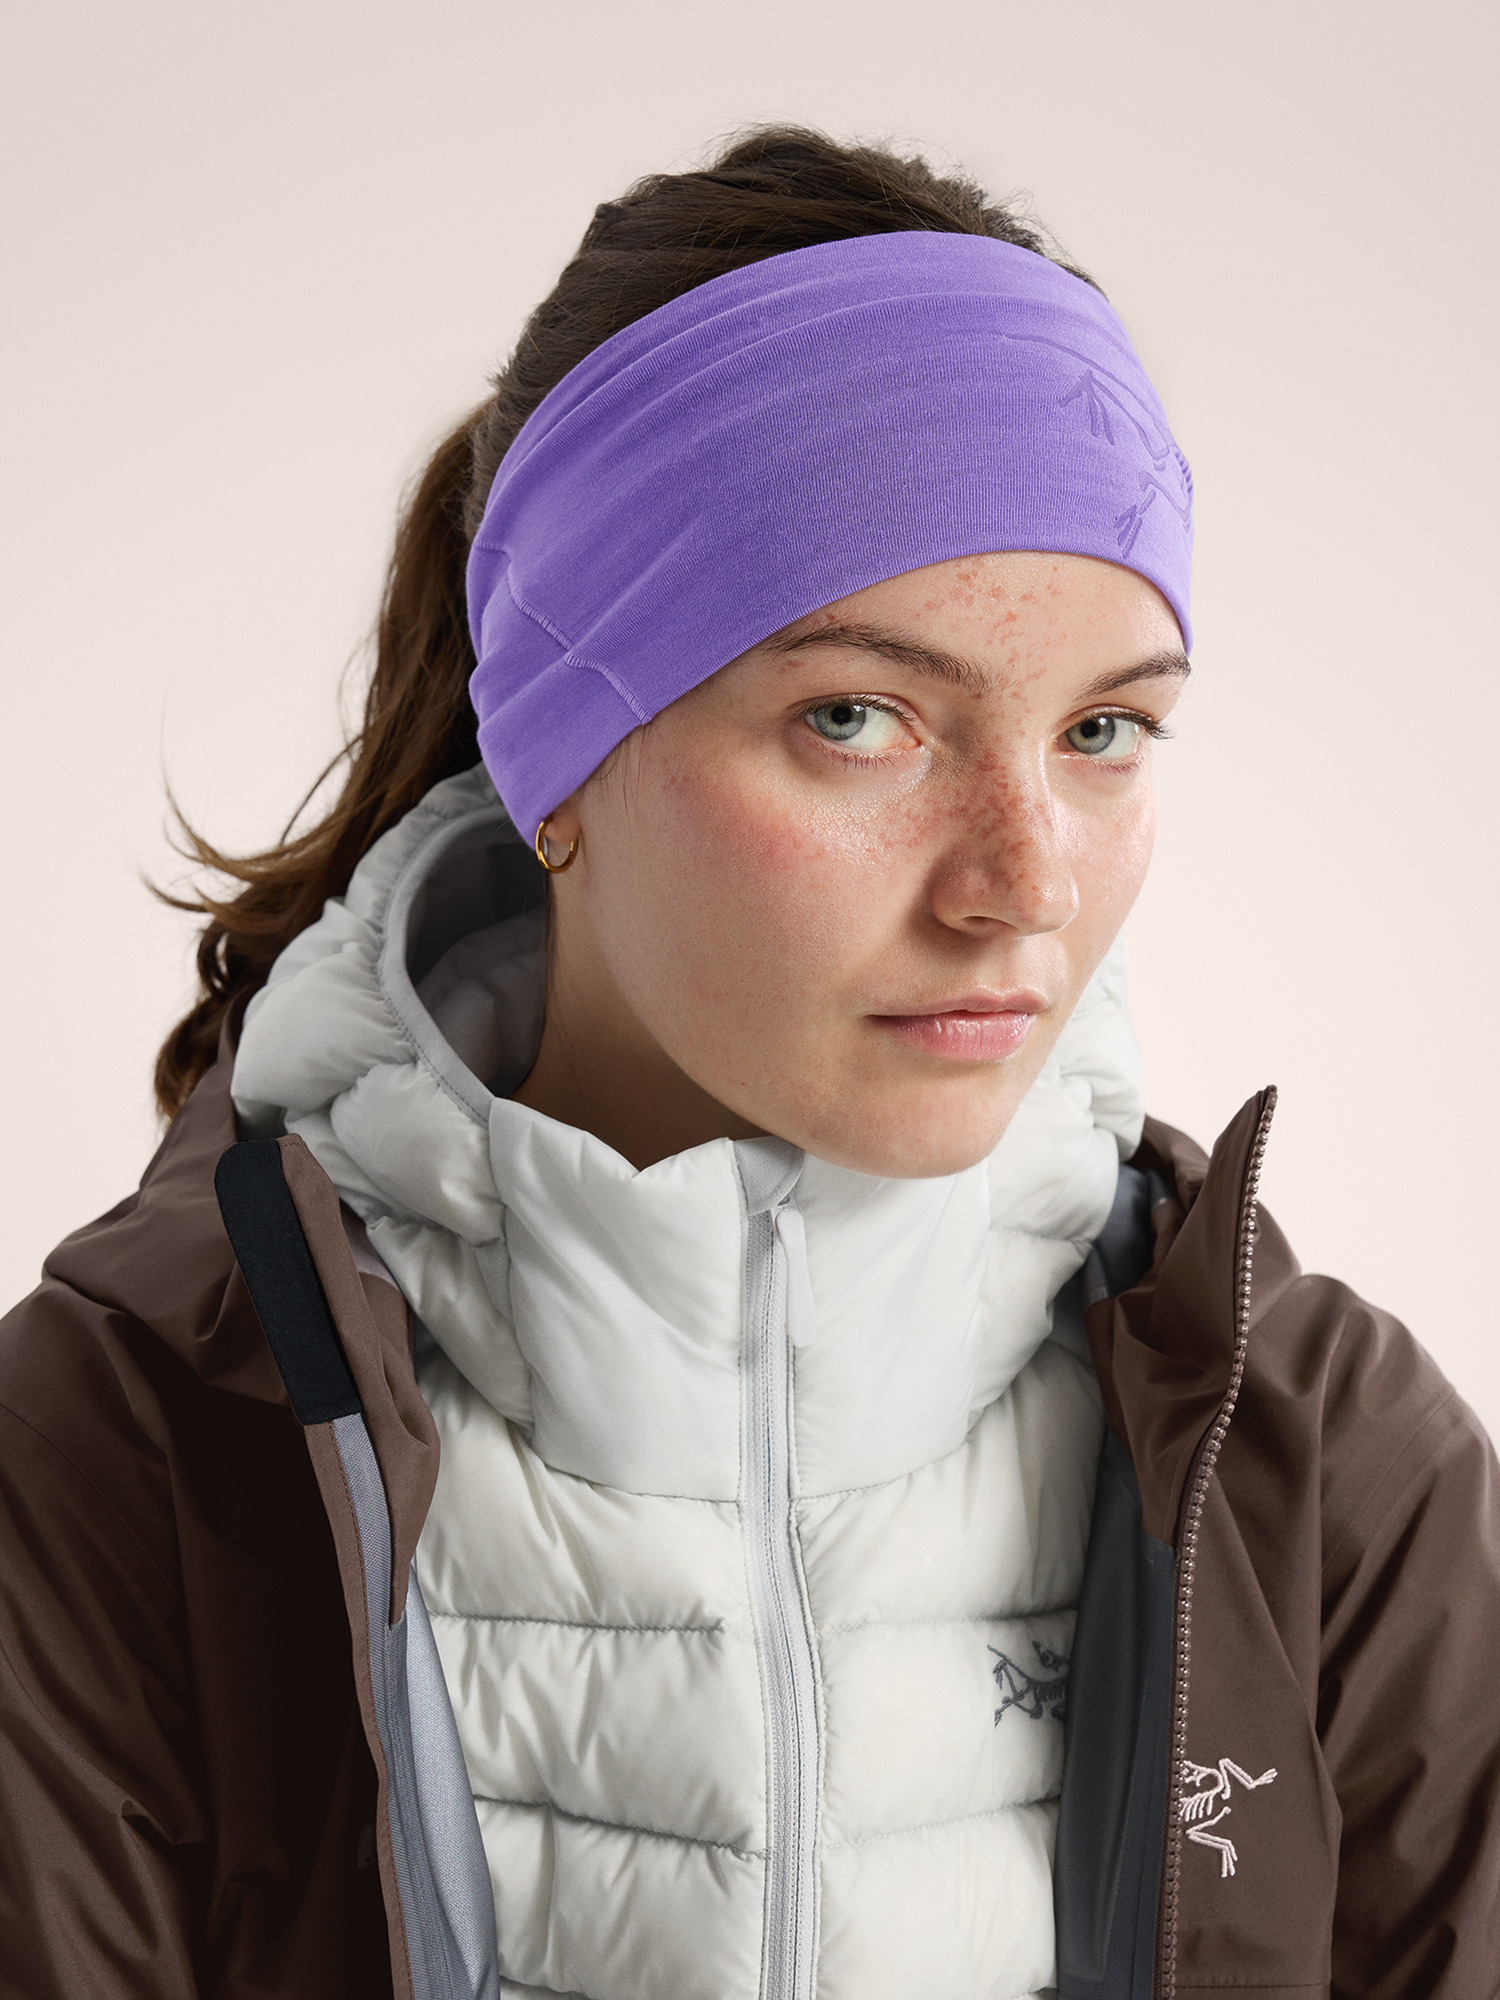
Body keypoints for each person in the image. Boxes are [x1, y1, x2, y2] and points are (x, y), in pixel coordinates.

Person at [0, 126, 1496, 2000]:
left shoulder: (1315, 1460)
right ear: (557, 751)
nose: (1027, 883)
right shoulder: (133, 1446)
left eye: (1105, 730)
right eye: (858, 717)